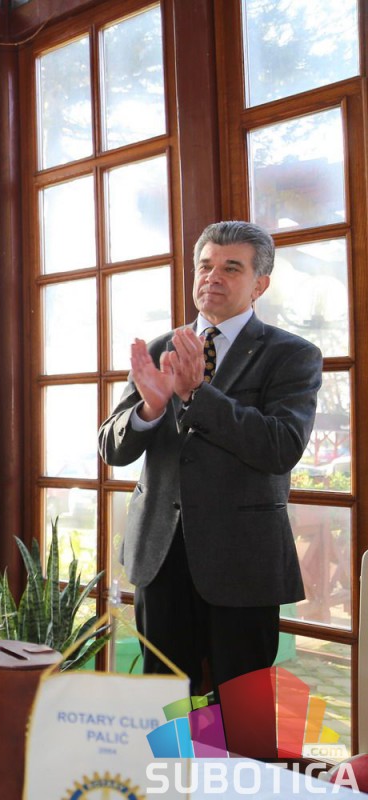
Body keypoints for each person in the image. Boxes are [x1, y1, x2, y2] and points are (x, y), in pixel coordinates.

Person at [99, 220, 322, 696]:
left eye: (231, 268)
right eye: (205, 266)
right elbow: (112, 449)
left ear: (260, 284)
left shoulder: (292, 355)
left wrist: (198, 394)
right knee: (164, 703)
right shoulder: (159, 350)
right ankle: (174, 753)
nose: (212, 277)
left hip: (243, 561)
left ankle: (234, 752)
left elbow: (281, 446)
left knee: (241, 711)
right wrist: (149, 409)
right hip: (160, 555)